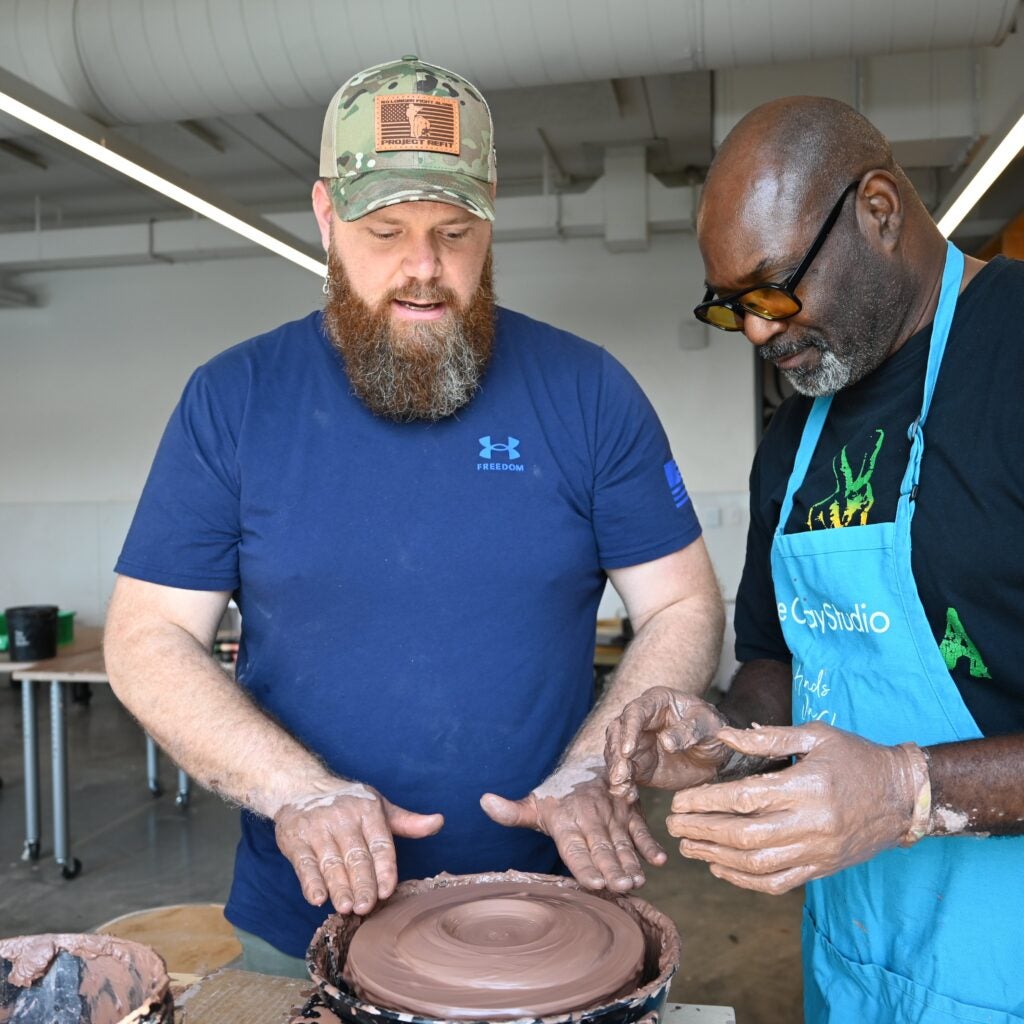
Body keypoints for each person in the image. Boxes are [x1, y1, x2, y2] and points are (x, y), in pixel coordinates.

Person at [104, 56, 723, 977]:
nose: (422, 269)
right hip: (307, 921)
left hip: (556, 915)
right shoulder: (234, 400)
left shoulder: (589, 392)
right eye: (385, 230)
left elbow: (683, 605)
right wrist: (298, 792)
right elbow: (146, 637)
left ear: (492, 214)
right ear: (325, 216)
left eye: (454, 231)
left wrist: (599, 760)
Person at [605, 96, 1024, 1022]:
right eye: (733, 308)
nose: (759, 330)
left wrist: (908, 789)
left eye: (773, 287)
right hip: (857, 964)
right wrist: (725, 740)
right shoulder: (794, 437)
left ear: (878, 210)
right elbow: (780, 662)